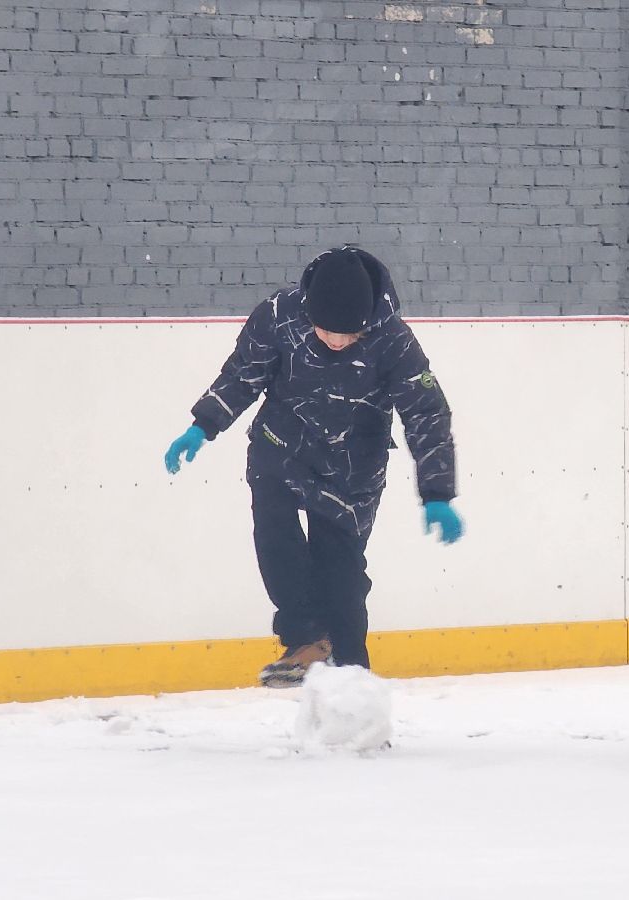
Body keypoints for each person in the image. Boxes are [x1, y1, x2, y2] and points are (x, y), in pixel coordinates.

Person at [163, 245, 463, 687]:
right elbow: (245, 372)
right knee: (275, 537)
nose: (337, 341)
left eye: (349, 335)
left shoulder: (394, 340)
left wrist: (436, 494)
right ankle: (305, 638)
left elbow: (426, 413)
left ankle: (351, 678)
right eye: (327, 331)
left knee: (340, 573)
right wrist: (203, 425)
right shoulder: (280, 316)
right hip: (280, 445)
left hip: (352, 466)